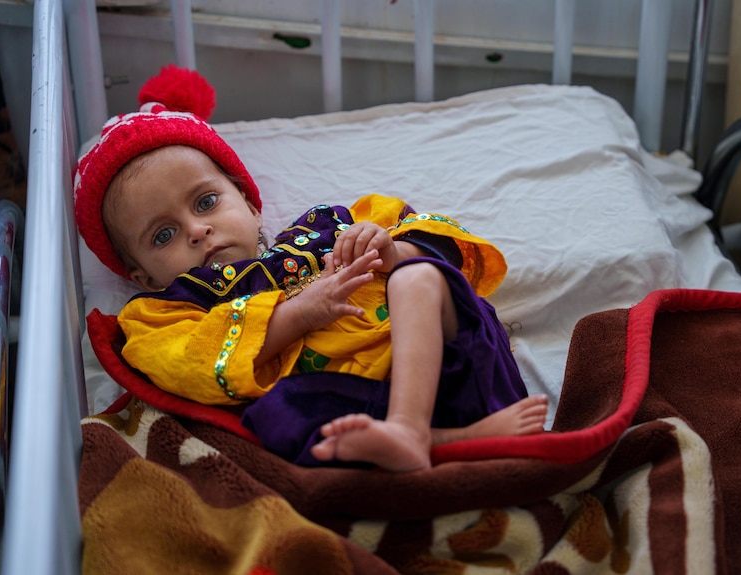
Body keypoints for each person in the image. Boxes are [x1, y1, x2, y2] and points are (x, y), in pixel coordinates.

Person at [74, 65, 547, 472]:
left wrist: (390, 250)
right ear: (141, 276)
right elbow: (185, 362)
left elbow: (445, 246)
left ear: (249, 202)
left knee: (419, 275)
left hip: (451, 368)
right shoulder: (165, 310)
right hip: (351, 411)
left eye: (206, 201)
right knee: (276, 415)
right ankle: (444, 442)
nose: (197, 230)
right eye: (163, 235)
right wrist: (298, 314)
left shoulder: (331, 226)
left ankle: (413, 428)